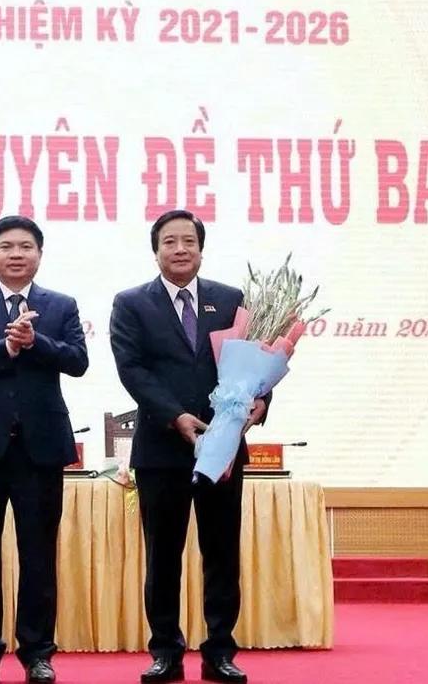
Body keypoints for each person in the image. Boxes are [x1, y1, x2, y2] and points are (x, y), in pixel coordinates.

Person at [108, 210, 270, 684]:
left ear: (201, 247)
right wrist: (175, 416)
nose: (179, 249)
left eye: (188, 241)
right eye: (169, 242)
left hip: (222, 448)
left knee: (221, 551)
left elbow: (257, 360)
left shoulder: (231, 299)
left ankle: (220, 650)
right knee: (163, 554)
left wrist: (260, 402)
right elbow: (132, 369)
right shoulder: (132, 303)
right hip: (162, 449)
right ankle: (166, 651)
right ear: (155, 250)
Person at [0, 216, 88, 684]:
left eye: (25, 246)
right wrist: (4, 349)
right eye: (5, 246)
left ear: (39, 255)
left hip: (40, 449)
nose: (15, 254)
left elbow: (78, 361)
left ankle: (37, 652)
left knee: (38, 553)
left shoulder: (61, 304)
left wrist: (36, 342)